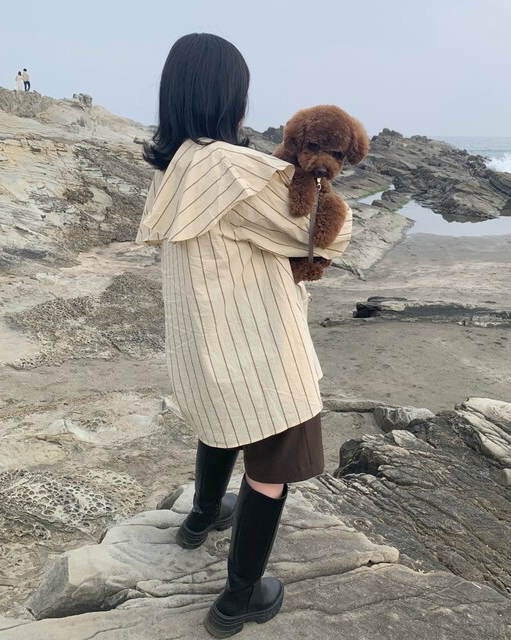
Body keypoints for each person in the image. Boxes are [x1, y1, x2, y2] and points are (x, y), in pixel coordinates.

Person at [136, 33, 352, 637]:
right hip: (259, 345)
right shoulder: (233, 167)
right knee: (271, 460)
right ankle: (238, 598)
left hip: (204, 344)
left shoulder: (176, 164)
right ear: (230, 95)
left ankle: (202, 516)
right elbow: (321, 233)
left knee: (221, 421)